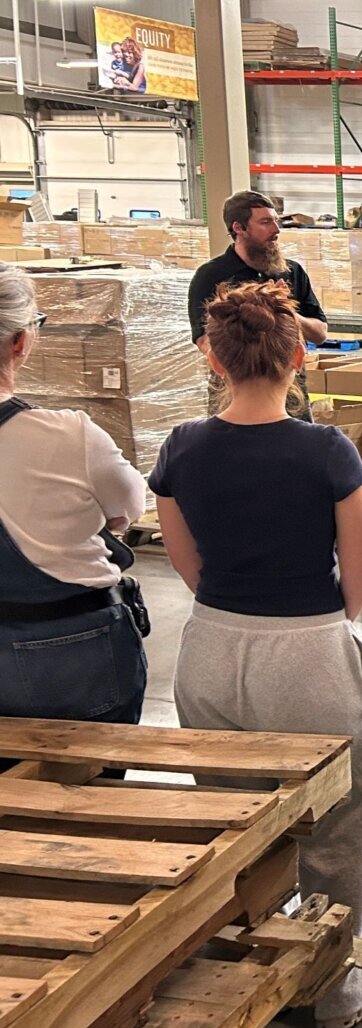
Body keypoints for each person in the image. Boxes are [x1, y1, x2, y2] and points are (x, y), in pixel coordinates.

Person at [149, 280, 362, 1028]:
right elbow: (360, 575)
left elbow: (185, 565)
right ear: (298, 356)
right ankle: (335, 988)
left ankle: (256, 963)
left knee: (240, 821)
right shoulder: (325, 450)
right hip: (307, 651)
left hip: (213, 650)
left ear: (213, 359)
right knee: (336, 825)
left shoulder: (182, 447)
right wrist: (322, 628)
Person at [0, 263, 149, 733]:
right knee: (92, 788)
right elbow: (130, 508)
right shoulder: (68, 435)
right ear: (21, 342)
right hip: (71, 657)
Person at [187, 190, 328, 419]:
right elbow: (205, 341)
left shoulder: (291, 272)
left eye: (275, 221)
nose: (276, 230)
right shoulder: (211, 276)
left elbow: (320, 334)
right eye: (265, 222)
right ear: (238, 228)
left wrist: (287, 309)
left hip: (289, 396)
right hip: (233, 396)